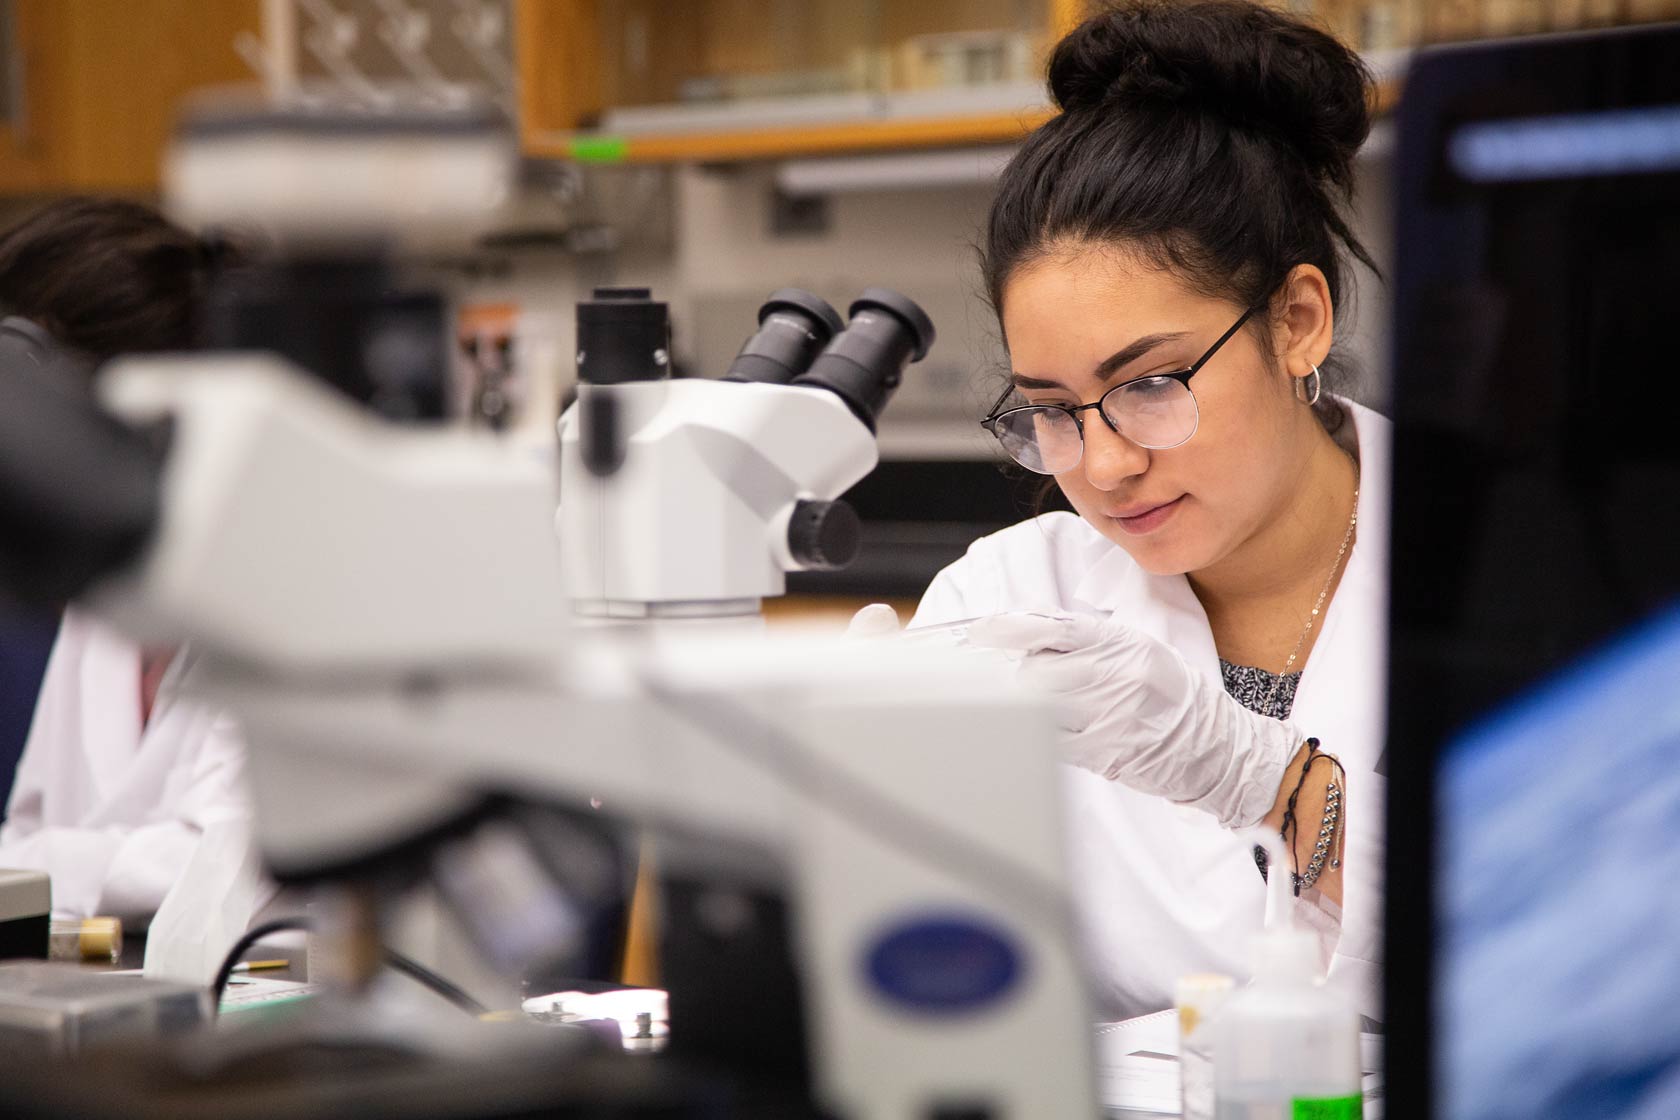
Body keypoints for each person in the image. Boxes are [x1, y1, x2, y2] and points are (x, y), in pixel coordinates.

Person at [856, 0, 1385, 1021]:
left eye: (1150, 383)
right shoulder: (1011, 596)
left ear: (1298, 321)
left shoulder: (1522, 563)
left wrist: (1265, 779)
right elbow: (919, 989)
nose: (1101, 465)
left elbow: (1601, 942)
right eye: (1050, 410)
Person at [0, 197, 251, 924]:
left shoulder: (281, 594)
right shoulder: (100, 598)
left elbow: (220, 873)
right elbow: (23, 836)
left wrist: (58, 863)